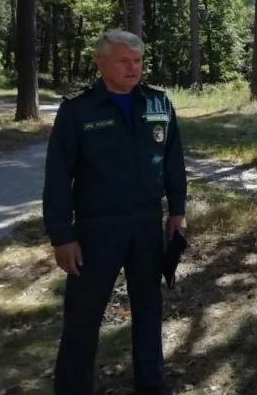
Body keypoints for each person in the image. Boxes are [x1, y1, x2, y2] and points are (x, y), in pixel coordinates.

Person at [43, 29, 187, 395]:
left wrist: (177, 211)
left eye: (137, 61)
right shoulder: (78, 109)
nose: (133, 68)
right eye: (124, 61)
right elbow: (58, 176)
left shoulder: (158, 103)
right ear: (100, 63)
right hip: (97, 227)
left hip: (146, 225)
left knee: (149, 311)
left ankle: (151, 384)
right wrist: (62, 235)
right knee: (83, 317)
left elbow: (173, 162)